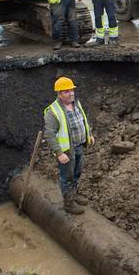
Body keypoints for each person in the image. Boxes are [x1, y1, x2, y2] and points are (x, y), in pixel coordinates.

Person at [43, 77, 95, 214]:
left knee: (77, 172)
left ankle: (74, 194)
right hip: (67, 151)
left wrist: (88, 134)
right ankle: (68, 204)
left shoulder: (76, 103)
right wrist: (59, 153)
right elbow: (49, 134)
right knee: (67, 177)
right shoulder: (52, 112)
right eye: (66, 91)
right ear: (59, 94)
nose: (71, 93)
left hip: (79, 146)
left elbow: (83, 120)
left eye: (72, 90)